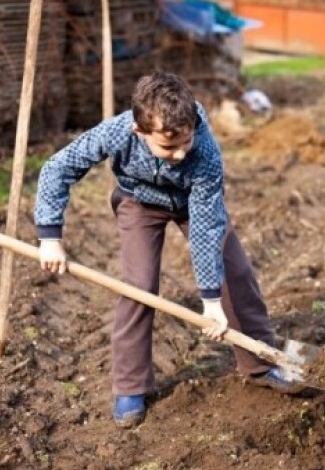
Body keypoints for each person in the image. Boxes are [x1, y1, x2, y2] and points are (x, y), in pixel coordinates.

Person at [34, 71, 301, 428]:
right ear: (139, 131)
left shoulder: (204, 151)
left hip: (194, 204)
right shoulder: (117, 131)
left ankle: (261, 361)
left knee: (235, 275)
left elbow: (206, 227)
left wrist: (210, 301)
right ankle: (130, 386)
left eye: (184, 142)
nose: (178, 154)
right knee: (138, 287)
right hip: (138, 201)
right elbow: (58, 168)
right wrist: (50, 237)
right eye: (167, 145)